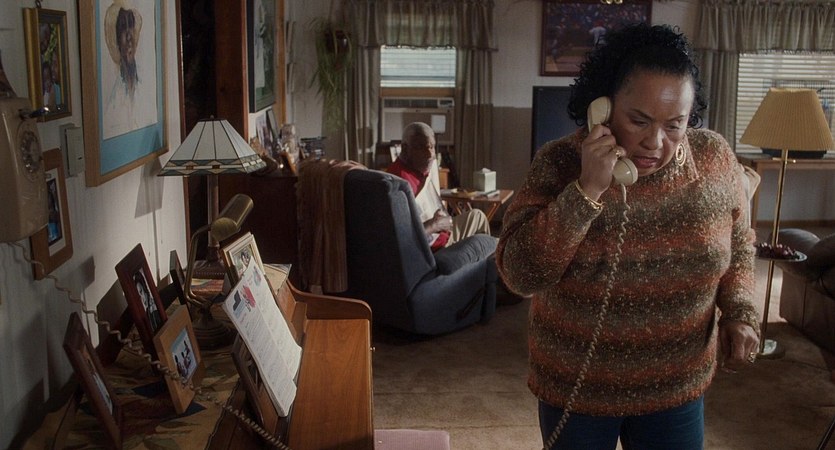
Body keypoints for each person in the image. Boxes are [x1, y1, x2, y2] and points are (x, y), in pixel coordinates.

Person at [496, 24, 760, 450]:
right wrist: (586, 190)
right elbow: (519, 274)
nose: (655, 142)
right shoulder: (559, 162)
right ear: (602, 107)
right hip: (579, 387)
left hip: (677, 386)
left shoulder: (713, 158)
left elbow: (740, 242)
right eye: (639, 121)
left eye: (675, 124)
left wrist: (740, 311)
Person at [387, 122, 492, 251]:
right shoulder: (398, 182)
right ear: (405, 148)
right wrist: (434, 225)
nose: (430, 154)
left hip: (443, 232)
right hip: (437, 245)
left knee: (476, 215)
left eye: (431, 147)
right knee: (479, 219)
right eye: (422, 147)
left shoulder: (415, 168)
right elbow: (401, 236)